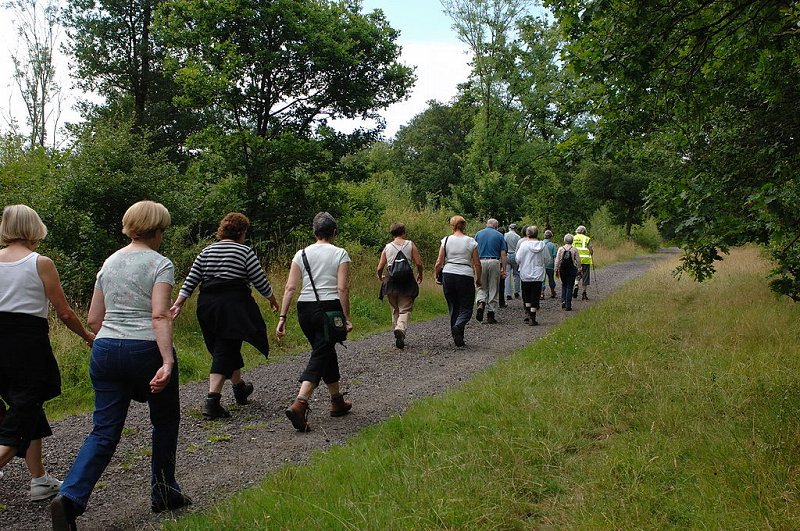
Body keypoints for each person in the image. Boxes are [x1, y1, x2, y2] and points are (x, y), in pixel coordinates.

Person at [51, 201, 191, 530]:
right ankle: (164, 491)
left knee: (104, 430)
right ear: (156, 230)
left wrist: (114, 339)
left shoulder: (109, 262)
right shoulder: (160, 264)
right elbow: (159, 314)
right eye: (163, 230)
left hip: (105, 349)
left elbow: (94, 319)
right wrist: (167, 361)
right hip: (146, 350)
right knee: (165, 421)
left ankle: (70, 498)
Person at [0, 205, 94, 502]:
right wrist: (87, 336)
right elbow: (64, 313)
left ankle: (40, 480)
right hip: (26, 346)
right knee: (25, 406)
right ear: (34, 227)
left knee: (26, 407)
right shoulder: (40, 262)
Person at [170, 213, 279, 419]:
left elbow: (191, 280)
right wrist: (272, 300)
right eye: (245, 232)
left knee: (226, 345)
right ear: (240, 232)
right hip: (233, 305)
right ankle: (212, 401)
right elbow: (259, 280)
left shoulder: (206, 251)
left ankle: (239, 389)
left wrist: (178, 304)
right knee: (225, 348)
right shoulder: (244, 251)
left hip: (208, 306)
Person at [276, 213, 353, 432]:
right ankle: (300, 403)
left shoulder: (301, 254)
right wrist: (346, 317)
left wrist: (282, 317)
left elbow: (290, 287)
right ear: (334, 232)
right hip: (328, 308)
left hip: (304, 309)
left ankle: (337, 401)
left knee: (325, 349)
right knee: (322, 351)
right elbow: (342, 288)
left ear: (314, 232)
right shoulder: (340, 253)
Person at [434, 215, 482, 347]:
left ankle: (457, 336)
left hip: (448, 273)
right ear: (464, 226)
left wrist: (436, 274)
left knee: (453, 306)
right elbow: (477, 263)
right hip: (465, 275)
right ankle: (459, 325)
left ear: (452, 226)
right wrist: (478, 279)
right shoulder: (471, 241)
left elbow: (439, 261)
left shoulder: (446, 240)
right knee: (466, 306)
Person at [376, 223, 424, 350]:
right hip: (407, 281)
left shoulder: (387, 247)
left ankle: (398, 334)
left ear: (392, 234)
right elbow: (418, 263)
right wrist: (420, 274)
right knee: (405, 309)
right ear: (403, 232)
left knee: (394, 309)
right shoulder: (410, 244)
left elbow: (380, 267)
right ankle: (400, 328)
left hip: (390, 281)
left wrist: (380, 276)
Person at [473, 218, 507, 324]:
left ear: (487, 224)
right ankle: (491, 314)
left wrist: (473, 265)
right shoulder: (499, 236)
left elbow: (473, 250)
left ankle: (481, 302)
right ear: (496, 226)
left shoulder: (478, 234)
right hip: (494, 261)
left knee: (481, 285)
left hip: (481, 261)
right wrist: (504, 269)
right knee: (493, 287)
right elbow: (503, 254)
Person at [515, 226, 547, 325]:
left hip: (525, 273)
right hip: (538, 274)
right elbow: (547, 259)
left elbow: (518, 259)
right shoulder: (543, 245)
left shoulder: (523, 245)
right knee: (535, 295)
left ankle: (528, 313)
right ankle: (533, 316)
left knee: (527, 294)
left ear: (527, 234)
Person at [555, 234, 581, 311]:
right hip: (572, 269)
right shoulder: (574, 249)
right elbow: (578, 261)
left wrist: (556, 269)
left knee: (564, 285)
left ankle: (563, 301)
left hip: (562, 269)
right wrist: (579, 269)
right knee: (570, 286)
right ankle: (568, 304)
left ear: (564, 240)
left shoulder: (560, 249)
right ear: (572, 241)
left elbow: (557, 260)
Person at [573, 225, 594, 300]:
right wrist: (591, 254)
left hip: (576, 260)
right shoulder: (587, 238)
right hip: (585, 260)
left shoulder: (573, 238)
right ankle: (584, 293)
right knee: (585, 276)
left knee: (577, 274)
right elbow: (590, 249)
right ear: (584, 231)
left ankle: (576, 285)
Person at [504, 223, 521, 301]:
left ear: (509, 228)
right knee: (516, 274)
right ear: (516, 229)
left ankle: (508, 294)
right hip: (515, 255)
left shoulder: (505, 235)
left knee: (507, 274)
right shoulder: (518, 237)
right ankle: (517, 292)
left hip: (506, 255)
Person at [540, 230, 558, 299]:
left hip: (542, 264)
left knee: (542, 279)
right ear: (551, 237)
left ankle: (542, 293)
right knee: (551, 278)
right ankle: (552, 291)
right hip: (550, 264)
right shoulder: (553, 245)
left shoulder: (540, 243)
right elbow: (554, 256)